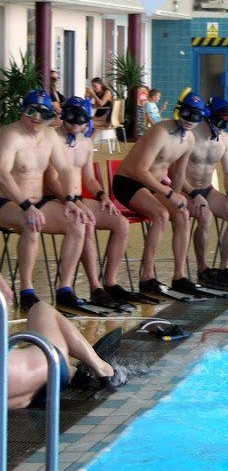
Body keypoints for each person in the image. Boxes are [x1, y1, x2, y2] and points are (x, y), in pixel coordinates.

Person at [0, 90, 93, 311]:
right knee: (31, 222)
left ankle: (65, 290)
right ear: (22, 111)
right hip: (6, 201)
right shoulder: (11, 135)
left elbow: (65, 169)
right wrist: (25, 206)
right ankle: (27, 291)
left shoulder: (50, 136)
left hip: (37, 202)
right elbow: (2, 174)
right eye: (31, 111)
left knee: (77, 222)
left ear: (50, 116)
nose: (36, 117)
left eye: (43, 113)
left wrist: (70, 199)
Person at [112, 89, 204, 298]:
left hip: (152, 186)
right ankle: (147, 277)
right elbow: (140, 170)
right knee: (160, 214)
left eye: (195, 117)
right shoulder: (161, 132)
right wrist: (170, 195)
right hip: (127, 182)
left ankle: (179, 277)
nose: (189, 120)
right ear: (179, 111)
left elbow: (178, 173)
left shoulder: (189, 140)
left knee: (182, 213)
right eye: (187, 114)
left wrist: (176, 199)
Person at [43, 96, 131, 309]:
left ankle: (110, 283)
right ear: (64, 116)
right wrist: (72, 202)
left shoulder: (86, 143)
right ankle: (95, 287)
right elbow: (51, 181)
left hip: (78, 199)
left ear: (87, 121)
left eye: (80, 119)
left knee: (121, 223)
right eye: (71, 117)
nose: (75, 123)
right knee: (86, 222)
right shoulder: (53, 139)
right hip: (56, 198)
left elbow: (90, 179)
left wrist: (103, 196)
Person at [0, 274, 123, 409]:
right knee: (40, 309)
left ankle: (74, 373)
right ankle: (103, 369)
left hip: (21, 399)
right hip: (50, 366)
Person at [181, 96, 228, 290]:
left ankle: (223, 268)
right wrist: (194, 194)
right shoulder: (191, 136)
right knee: (205, 216)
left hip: (208, 190)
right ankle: (202, 269)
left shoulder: (225, 140)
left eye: (226, 124)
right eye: (219, 123)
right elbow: (175, 174)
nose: (222, 128)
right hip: (185, 190)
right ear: (208, 117)